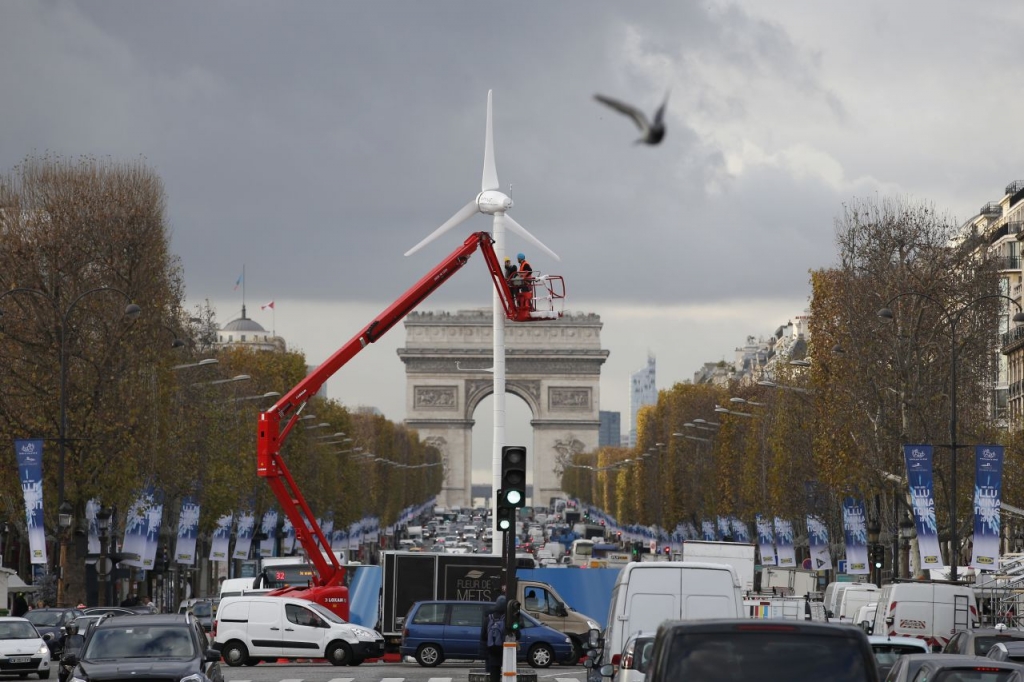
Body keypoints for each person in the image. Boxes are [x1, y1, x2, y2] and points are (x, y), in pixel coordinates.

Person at [480, 594, 507, 682]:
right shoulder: (508, 619)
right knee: (508, 673)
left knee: (494, 675)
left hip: (492, 651)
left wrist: (485, 652)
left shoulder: (488, 618)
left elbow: (483, 636)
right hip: (505, 651)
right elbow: (517, 634)